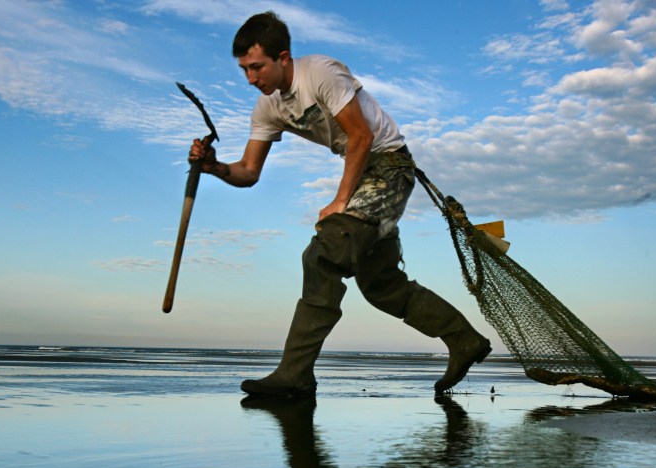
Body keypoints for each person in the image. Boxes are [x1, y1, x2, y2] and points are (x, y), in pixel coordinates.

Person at [190, 12, 491, 398]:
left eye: (256, 67)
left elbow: (361, 136)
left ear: (283, 57)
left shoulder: (319, 73)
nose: (251, 79)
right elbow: (248, 172)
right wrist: (212, 166)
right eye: (244, 70)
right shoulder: (269, 107)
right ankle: (464, 340)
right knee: (381, 286)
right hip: (364, 174)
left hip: (388, 166)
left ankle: (295, 374)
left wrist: (339, 201)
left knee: (322, 255)